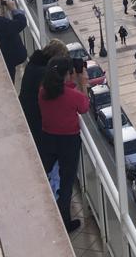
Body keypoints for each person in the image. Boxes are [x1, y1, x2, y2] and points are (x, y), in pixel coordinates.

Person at [38, 57, 89, 233]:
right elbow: (84, 107)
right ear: (68, 74)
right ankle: (64, 222)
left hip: (48, 138)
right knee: (66, 182)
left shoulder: (43, 91)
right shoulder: (72, 95)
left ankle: (47, 208)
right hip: (68, 142)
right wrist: (83, 83)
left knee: (48, 175)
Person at [18, 39, 69, 158]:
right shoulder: (44, 73)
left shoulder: (34, 63)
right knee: (41, 148)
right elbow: (55, 94)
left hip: (26, 108)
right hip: (35, 116)